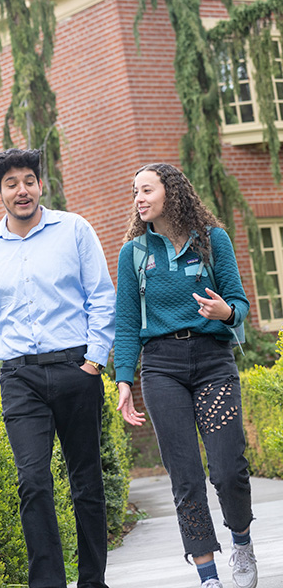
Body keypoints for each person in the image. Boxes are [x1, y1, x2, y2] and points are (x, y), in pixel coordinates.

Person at [0, 148, 116, 588]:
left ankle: (91, 582)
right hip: (20, 377)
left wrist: (94, 359)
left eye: (29, 180)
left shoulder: (74, 229)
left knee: (86, 482)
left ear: (40, 185)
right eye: (11, 183)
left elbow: (101, 296)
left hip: (75, 368)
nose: (21, 190)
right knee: (32, 481)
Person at [114, 162, 257, 588]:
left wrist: (225, 312)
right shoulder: (134, 254)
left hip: (213, 361)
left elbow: (239, 303)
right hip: (161, 368)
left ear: (171, 193)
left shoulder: (213, 242)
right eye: (135, 192)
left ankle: (243, 543)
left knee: (229, 469)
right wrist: (124, 380)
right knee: (185, 475)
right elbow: (125, 322)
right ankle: (208, 574)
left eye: (146, 190)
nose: (138, 199)